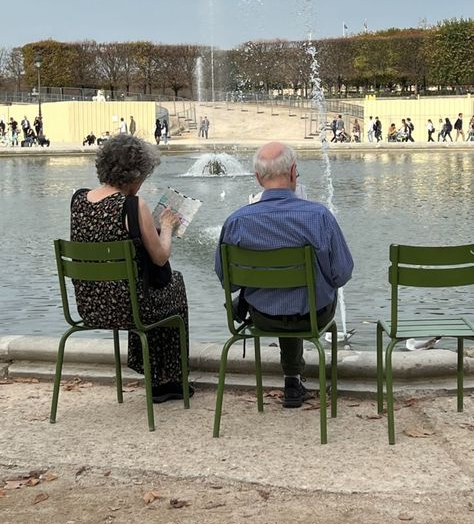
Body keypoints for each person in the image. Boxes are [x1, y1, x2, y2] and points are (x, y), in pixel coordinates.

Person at [215, 142, 353, 409]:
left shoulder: (236, 221)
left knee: (276, 297)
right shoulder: (319, 216)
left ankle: (292, 379)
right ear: (293, 172)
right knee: (301, 296)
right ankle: (294, 379)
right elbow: (342, 274)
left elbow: (226, 280)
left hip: (262, 317)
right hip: (314, 315)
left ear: (257, 178)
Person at [70, 134, 192, 403]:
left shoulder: (78, 200)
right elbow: (160, 258)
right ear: (135, 174)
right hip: (130, 307)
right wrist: (168, 228)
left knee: (144, 286)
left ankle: (153, 373)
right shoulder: (133, 205)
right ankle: (169, 378)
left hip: (90, 306)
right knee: (173, 284)